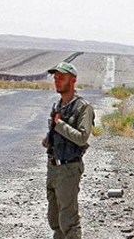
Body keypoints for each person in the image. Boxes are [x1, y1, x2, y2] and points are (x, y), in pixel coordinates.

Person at [42, 62, 95, 238]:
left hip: (69, 169)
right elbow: (58, 133)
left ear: (73, 81)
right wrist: (49, 139)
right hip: (54, 168)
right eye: (55, 78)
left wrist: (59, 125)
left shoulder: (83, 107)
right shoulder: (59, 106)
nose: (57, 81)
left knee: (68, 220)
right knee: (54, 219)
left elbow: (82, 137)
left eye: (61, 78)